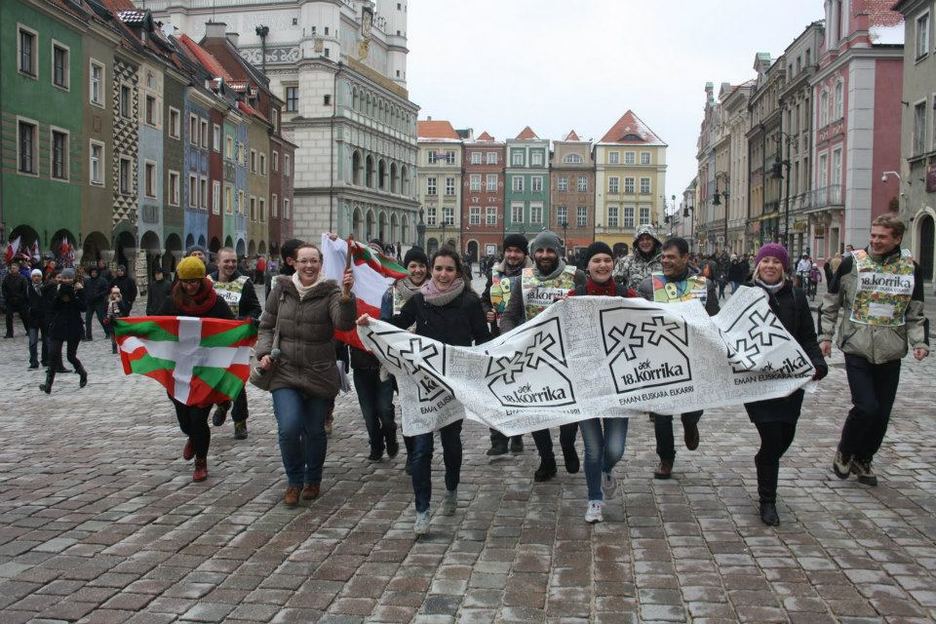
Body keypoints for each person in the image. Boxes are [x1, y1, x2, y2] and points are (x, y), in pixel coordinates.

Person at [358, 247, 491, 535]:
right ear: (432, 270)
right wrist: (372, 324)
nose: (443, 274)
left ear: (458, 272)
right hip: (421, 383)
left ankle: (452, 487)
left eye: (449, 269)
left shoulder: (469, 302)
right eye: (439, 268)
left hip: (453, 385)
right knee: (420, 450)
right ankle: (422, 509)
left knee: (451, 444)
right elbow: (399, 325)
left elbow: (483, 340)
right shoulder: (419, 301)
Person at [819, 215, 928, 486]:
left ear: (897, 239)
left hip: (891, 347)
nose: (875, 241)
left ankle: (863, 458)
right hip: (857, 344)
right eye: (873, 235)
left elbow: (915, 311)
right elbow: (832, 302)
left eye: (882, 236)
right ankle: (845, 450)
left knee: (882, 413)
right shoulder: (851, 263)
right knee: (866, 406)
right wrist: (826, 336)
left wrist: (920, 342)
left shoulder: (910, 268)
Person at [256, 244, 356, 506]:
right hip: (285, 370)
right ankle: (294, 480)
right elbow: (266, 325)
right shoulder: (281, 289)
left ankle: (313, 478)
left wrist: (347, 297)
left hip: (319, 372)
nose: (309, 266)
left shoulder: (331, 291)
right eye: (304, 261)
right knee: (289, 428)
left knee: (314, 431)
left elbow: (343, 323)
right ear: (295, 264)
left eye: (314, 261)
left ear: (320, 263)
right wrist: (264, 352)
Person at [739, 243, 827, 525]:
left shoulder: (797, 297)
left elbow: (808, 337)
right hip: (757, 382)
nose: (770, 266)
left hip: (790, 382)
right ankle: (768, 501)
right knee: (771, 435)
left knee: (785, 435)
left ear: (784, 267)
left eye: (776, 262)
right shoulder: (746, 296)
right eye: (765, 261)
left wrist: (818, 363)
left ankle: (765, 461)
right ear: (758, 265)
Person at [500, 231, 586, 482]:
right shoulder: (523, 279)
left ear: (558, 252)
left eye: (550, 251)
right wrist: (511, 337)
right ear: (533, 253)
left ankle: (567, 444)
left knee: (569, 406)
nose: (545, 255)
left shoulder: (575, 276)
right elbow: (510, 315)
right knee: (536, 409)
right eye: (540, 251)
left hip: (567, 354)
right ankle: (546, 458)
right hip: (535, 355)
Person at [637, 237, 720, 479]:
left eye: (671, 257)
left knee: (694, 406)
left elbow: (714, 318)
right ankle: (666, 458)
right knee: (662, 413)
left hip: (694, 357)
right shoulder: (649, 286)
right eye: (663, 257)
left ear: (685, 258)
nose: (665, 261)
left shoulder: (704, 286)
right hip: (661, 358)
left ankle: (690, 421)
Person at [567, 242, 636, 523]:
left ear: (613, 264)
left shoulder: (626, 295)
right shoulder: (574, 296)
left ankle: (606, 470)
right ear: (588, 266)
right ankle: (594, 499)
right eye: (596, 260)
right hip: (586, 383)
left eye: (607, 260)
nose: (603, 265)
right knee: (593, 448)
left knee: (615, 448)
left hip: (619, 384)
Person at [157, 257, 235, 482]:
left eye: (194, 282)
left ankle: (201, 460)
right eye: (186, 282)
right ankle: (192, 436)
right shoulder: (172, 302)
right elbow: (157, 326)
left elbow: (229, 329)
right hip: (179, 368)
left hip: (205, 369)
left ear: (202, 280)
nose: (190, 286)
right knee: (185, 420)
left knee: (198, 417)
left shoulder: (216, 302)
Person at [480, 233, 533, 456]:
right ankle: (498, 440)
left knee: (519, 389)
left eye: (517, 251)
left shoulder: (532, 275)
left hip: (525, 339)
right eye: (509, 250)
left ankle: (517, 435)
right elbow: (484, 299)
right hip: (498, 338)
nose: (512, 255)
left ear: (524, 254)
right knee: (497, 389)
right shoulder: (495, 273)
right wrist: (487, 312)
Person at [350, 240, 401, 462]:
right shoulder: (352, 290)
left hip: (384, 364)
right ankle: (376, 443)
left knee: (385, 410)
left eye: (374, 257)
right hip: (360, 362)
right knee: (369, 413)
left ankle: (390, 435)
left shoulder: (391, 291)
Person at [208, 248, 263, 439]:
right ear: (218, 262)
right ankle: (222, 404)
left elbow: (256, 309)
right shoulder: (208, 282)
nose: (231, 265)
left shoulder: (244, 283)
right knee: (215, 380)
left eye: (233, 261)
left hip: (237, 341)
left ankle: (240, 421)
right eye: (227, 261)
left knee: (237, 382)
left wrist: (246, 320)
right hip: (213, 341)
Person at [39, 268, 88, 393]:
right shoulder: (57, 289)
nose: (66, 280)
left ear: (73, 278)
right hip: (59, 326)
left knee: (70, 356)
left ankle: (82, 373)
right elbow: (52, 307)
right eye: (64, 278)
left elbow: (83, 307)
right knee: (53, 355)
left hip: (73, 326)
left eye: (68, 278)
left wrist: (77, 294)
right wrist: (58, 295)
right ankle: (48, 384)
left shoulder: (78, 289)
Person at [612, 225, 663, 291]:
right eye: (641, 239)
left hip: (658, 301)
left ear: (654, 241)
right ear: (637, 243)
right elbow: (612, 283)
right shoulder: (626, 261)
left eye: (648, 239)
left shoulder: (664, 261)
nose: (645, 242)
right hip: (633, 300)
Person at [26, 269, 50, 369]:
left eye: (38, 276)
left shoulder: (45, 287)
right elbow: (24, 301)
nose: (36, 278)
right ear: (32, 277)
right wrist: (29, 310)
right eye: (34, 276)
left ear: (41, 277)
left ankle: (45, 360)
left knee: (46, 341)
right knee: (32, 342)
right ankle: (33, 361)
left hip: (44, 318)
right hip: (33, 318)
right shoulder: (28, 288)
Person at [3, 260, 29, 338]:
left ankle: (29, 330)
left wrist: (21, 298)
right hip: (10, 300)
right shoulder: (7, 278)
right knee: (8, 317)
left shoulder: (22, 278)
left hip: (20, 301)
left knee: (25, 316)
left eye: (14, 268)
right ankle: (9, 333)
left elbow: (25, 290)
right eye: (12, 268)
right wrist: (7, 297)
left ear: (18, 269)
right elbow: (4, 288)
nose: (13, 269)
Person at [82, 267, 107, 340]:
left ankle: (108, 332)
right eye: (92, 272)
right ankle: (88, 336)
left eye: (95, 272)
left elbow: (106, 290)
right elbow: (85, 290)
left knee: (101, 318)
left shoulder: (102, 281)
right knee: (88, 320)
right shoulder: (87, 281)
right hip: (90, 303)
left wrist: (99, 295)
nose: (93, 274)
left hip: (99, 302)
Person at [105, 286, 129, 354]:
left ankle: (122, 347)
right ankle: (114, 348)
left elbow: (124, 309)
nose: (115, 295)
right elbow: (105, 310)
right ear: (111, 294)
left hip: (118, 320)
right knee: (112, 335)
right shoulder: (108, 301)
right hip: (111, 320)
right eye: (114, 293)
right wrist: (106, 317)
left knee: (119, 335)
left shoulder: (120, 301)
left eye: (116, 293)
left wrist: (119, 302)